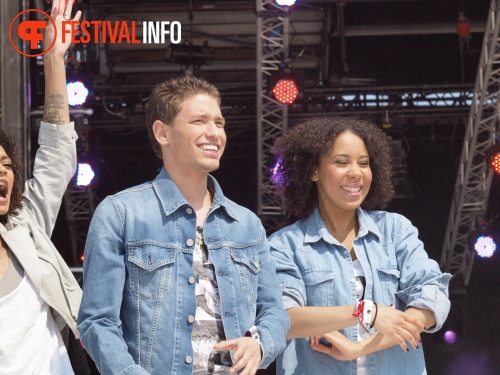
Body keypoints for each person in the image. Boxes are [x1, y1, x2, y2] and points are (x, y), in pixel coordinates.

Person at [77, 74, 290, 375]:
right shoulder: (121, 213)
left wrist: (258, 343)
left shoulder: (246, 224)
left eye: (219, 122)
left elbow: (274, 312)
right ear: (162, 132)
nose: (215, 132)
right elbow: (96, 321)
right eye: (200, 121)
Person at [268, 116, 451, 375]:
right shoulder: (285, 245)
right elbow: (283, 318)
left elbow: (433, 297)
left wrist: (361, 348)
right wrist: (367, 311)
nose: (356, 172)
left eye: (363, 163)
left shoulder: (395, 230)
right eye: (341, 162)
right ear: (313, 171)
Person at [0, 2, 88, 374]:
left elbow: (56, 156)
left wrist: (53, 59)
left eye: (6, 166)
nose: (3, 175)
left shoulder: (25, 226)